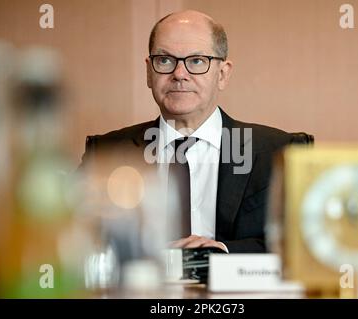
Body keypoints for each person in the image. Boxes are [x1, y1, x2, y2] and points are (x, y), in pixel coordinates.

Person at [79, 10, 311, 253]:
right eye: (165, 60)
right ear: (149, 72)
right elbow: (78, 243)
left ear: (222, 74)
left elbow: (301, 245)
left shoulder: (280, 152)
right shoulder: (105, 153)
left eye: (197, 61)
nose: (179, 74)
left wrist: (220, 251)